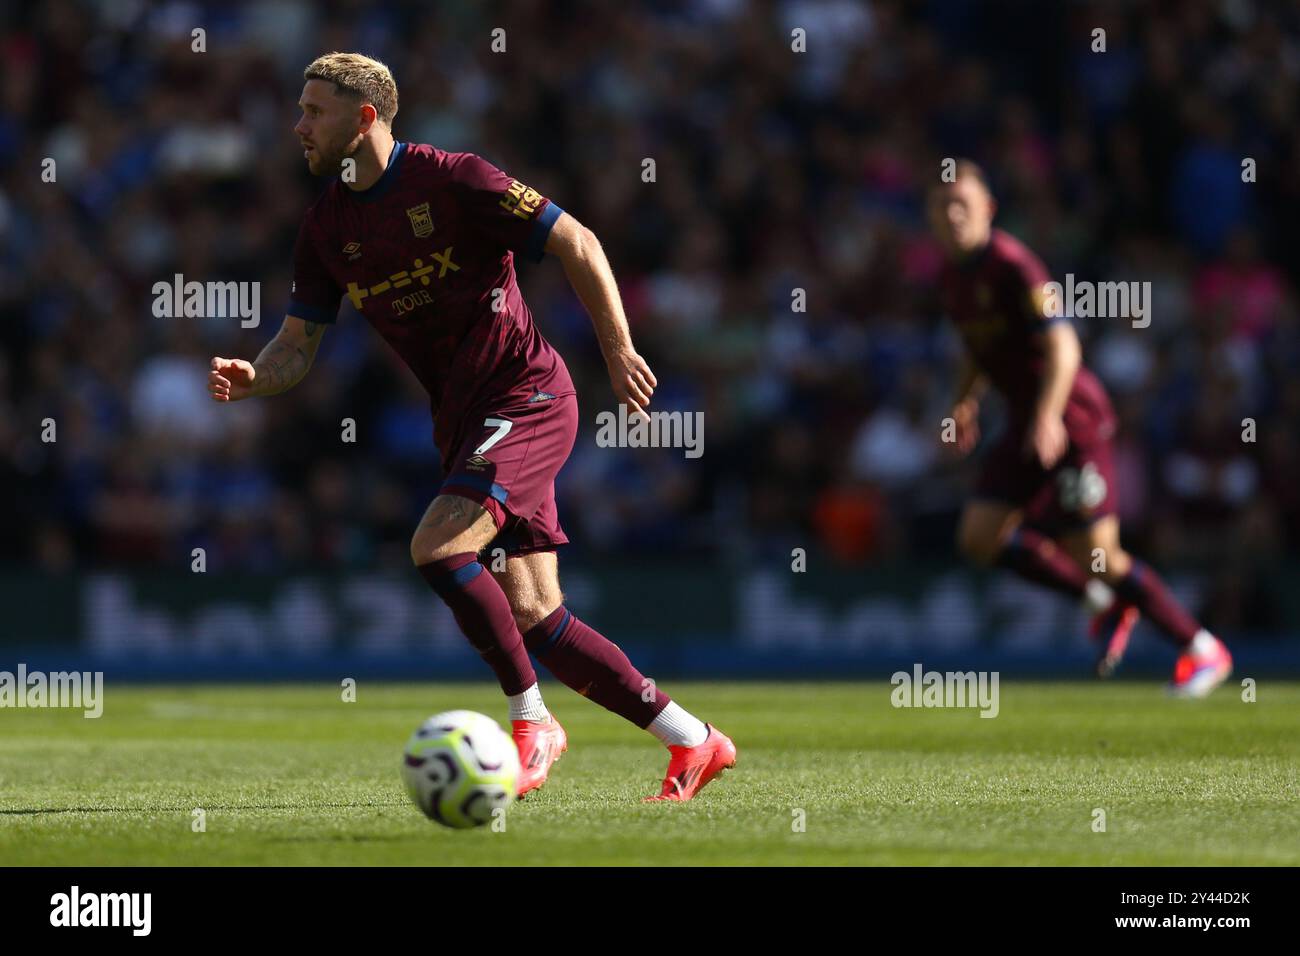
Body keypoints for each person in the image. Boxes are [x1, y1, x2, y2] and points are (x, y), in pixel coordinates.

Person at [209, 52, 735, 799]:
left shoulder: (454, 180)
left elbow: (577, 241)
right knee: (535, 613)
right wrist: (259, 377)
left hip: (527, 397)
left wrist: (618, 350)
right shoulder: (326, 225)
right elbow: (297, 344)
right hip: (463, 421)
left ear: (365, 119)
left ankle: (532, 721)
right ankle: (695, 740)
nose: (297, 126)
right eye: (299, 111)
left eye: (313, 111)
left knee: (438, 546)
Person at [929, 160, 1232, 697]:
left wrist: (1048, 415)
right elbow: (977, 349)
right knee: (978, 536)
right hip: (1027, 420)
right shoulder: (953, 277)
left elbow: (1064, 346)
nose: (954, 216)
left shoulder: (1014, 265)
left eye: (964, 206)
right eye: (943, 207)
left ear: (988, 211)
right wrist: (964, 404)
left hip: (1072, 419)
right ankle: (1101, 602)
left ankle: (1202, 649)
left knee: (1098, 554)